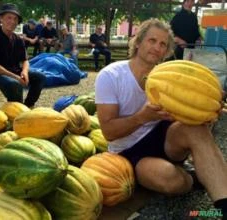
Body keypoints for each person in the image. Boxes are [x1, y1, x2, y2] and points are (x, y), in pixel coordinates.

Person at [95, 18, 227, 219]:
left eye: (163, 44)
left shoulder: (170, 75)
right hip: (128, 151)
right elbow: (109, 133)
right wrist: (142, 117)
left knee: (198, 130)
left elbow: (185, 112)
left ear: (166, 51)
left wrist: (205, 114)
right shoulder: (110, 76)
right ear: (138, 42)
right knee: (168, 179)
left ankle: (224, 205)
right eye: (152, 40)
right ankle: (193, 177)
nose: (157, 47)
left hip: (164, 137)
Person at [0, 3, 46, 108]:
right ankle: (17, 110)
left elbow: (25, 60)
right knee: (15, 84)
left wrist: (25, 72)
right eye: (9, 18)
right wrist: (16, 77)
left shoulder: (18, 39)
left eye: (15, 19)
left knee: (40, 77)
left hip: (15, 71)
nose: (12, 21)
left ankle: (28, 105)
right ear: (1, 19)